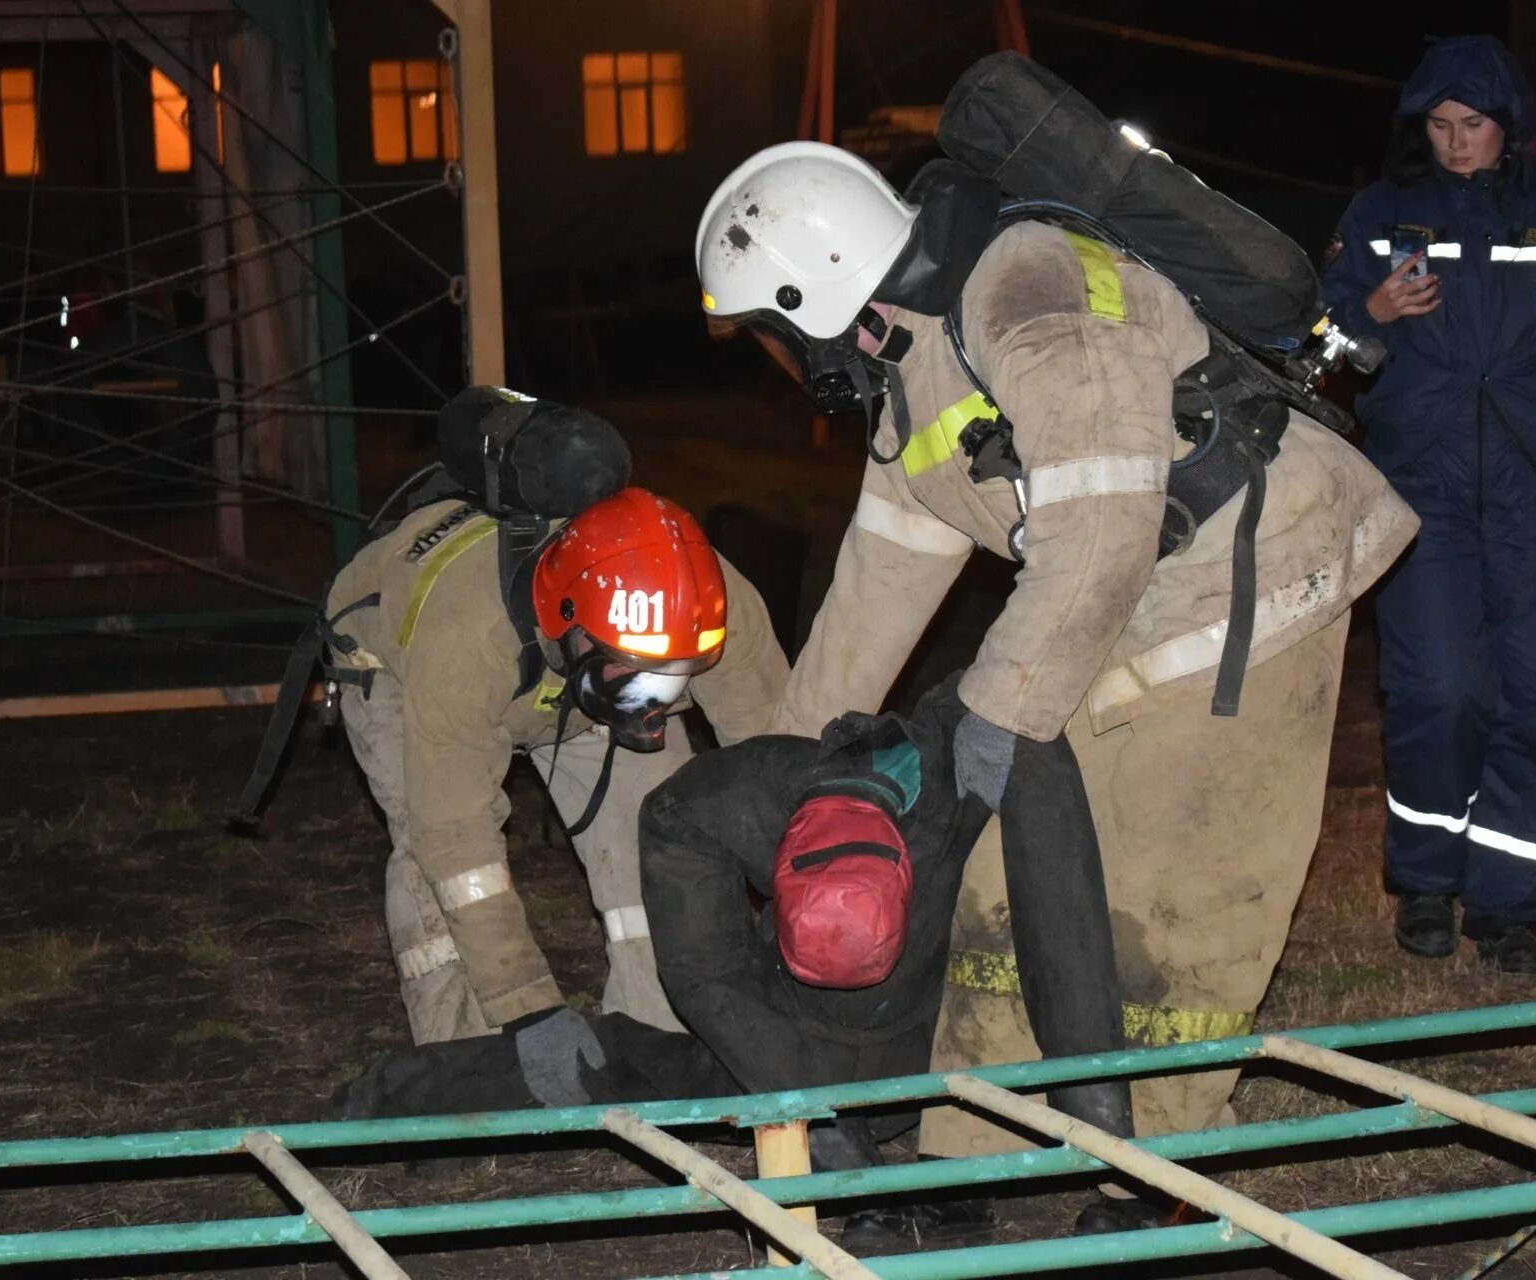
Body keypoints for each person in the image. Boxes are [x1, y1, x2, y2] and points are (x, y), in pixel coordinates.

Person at [694, 135, 1418, 1166]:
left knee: (1175, 900)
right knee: (999, 885)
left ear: (810, 292)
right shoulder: (913, 358)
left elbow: (1101, 529)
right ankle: (975, 1139)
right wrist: (784, 779)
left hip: (1254, 580)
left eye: (770, 331)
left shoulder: (1030, 295)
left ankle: (1154, 1167)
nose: (779, 361)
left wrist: (996, 715)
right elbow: (876, 586)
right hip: (1113, 607)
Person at [337, 676, 1131, 1250]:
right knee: (608, 1063)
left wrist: (1101, 1121)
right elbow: (709, 983)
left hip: (939, 1021)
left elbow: (1066, 926)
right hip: (787, 1034)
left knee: (1027, 915)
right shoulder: (703, 808)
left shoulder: (971, 756)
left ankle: (957, 1172)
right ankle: (387, 1097)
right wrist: (836, 1148)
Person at [1320, 37, 1536, 975]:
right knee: (1438, 690)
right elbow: (1312, 340)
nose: (1455, 141)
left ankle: (1512, 905)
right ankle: (1428, 883)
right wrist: (1371, 316)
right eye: (1437, 124)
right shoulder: (1381, 213)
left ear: (1509, 125)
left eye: (1472, 124)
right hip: (1419, 489)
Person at [317, 390, 788, 1046]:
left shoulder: (707, 601)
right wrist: (529, 1009)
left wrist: (807, 876)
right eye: (640, 680)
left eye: (676, 678)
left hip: (563, 669)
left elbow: (776, 751)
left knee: (659, 831)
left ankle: (660, 1030)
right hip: (399, 665)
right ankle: (465, 1062)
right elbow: (454, 839)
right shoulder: (465, 646)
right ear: (576, 633)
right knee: (434, 861)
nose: (654, 705)